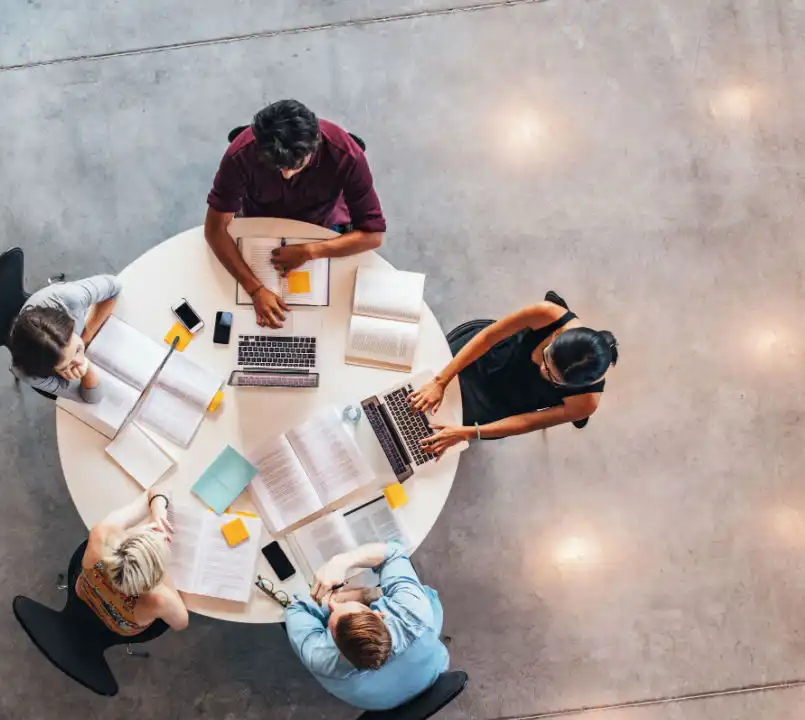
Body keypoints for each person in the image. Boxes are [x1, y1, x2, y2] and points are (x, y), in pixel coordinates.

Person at [204, 99, 387, 328]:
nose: (287, 175)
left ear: (315, 144)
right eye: (278, 167)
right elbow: (214, 229)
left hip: (320, 224)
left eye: (296, 166)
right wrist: (256, 289)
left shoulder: (346, 155)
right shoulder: (241, 154)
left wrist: (309, 251)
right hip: (257, 221)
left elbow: (373, 235)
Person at [410, 291, 618, 456]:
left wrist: (467, 433)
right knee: (419, 383)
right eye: (547, 357)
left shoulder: (586, 402)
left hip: (503, 402)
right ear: (556, 336)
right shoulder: (547, 314)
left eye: (553, 377)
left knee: (430, 431)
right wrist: (440, 381)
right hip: (485, 356)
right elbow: (487, 338)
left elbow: (526, 422)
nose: (542, 369)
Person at [285, 542, 448, 711]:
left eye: (333, 613)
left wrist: (343, 597)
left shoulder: (320, 657)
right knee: (424, 597)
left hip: (382, 704)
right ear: (379, 615)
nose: (334, 607)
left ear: (335, 645)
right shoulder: (415, 614)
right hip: (431, 672)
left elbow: (296, 608)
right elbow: (393, 552)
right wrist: (346, 570)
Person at [76, 490, 189, 635]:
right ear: (155, 579)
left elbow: (156, 490)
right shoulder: (159, 599)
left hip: (85, 591)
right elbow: (181, 623)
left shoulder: (100, 535)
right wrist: (163, 572)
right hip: (118, 626)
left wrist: (158, 512)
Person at [7, 274, 121, 401]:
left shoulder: (71, 299)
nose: (80, 360)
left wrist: (87, 335)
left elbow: (114, 286)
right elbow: (93, 398)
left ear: (71, 325)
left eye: (77, 349)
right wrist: (87, 369)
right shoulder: (30, 374)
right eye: (66, 366)